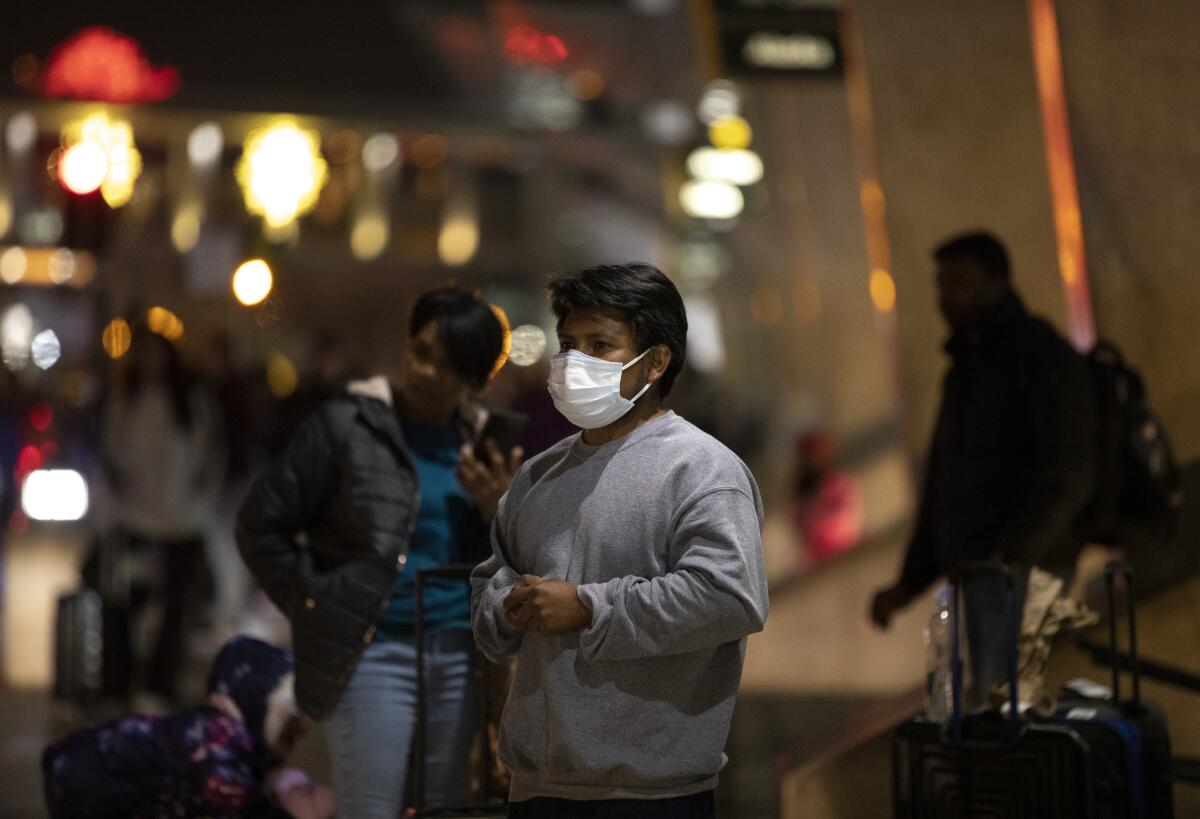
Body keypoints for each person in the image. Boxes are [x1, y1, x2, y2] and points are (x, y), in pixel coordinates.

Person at [471, 263, 769, 818]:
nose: (573, 362)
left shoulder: (702, 470)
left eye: (600, 344)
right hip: (537, 787)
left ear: (655, 361)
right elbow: (492, 582)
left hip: (649, 794)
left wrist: (587, 607)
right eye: (567, 344)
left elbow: (730, 596)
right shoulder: (537, 476)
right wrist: (510, 607)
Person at [237, 286, 522, 818]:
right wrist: (318, 597)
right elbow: (261, 525)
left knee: (443, 809)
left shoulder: (490, 444)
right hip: (375, 650)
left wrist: (496, 511)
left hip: (460, 654)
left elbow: (511, 564)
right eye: (422, 352)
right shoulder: (346, 426)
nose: (428, 372)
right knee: (370, 806)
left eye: (450, 363)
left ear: (476, 376)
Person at [869, 231, 1096, 704]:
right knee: (993, 703)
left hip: (1021, 571)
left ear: (998, 282)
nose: (946, 298)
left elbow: (1068, 470)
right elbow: (944, 483)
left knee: (1010, 704)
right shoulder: (967, 367)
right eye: (940, 285)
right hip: (982, 570)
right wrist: (909, 583)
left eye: (960, 283)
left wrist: (1013, 555)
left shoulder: (1038, 356)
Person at [42, 635, 333, 819]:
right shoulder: (216, 747)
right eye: (288, 720)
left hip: (90, 766)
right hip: (83, 780)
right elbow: (244, 808)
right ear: (242, 705)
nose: (299, 730)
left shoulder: (230, 738)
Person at [93, 328, 226, 705]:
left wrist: (198, 502)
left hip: (182, 521)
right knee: (125, 602)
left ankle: (160, 683)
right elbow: (112, 456)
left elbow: (208, 457)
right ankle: (119, 681)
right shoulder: (125, 403)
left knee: (175, 609)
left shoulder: (191, 404)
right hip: (134, 520)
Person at [790, 431, 862, 566]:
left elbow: (842, 519)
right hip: (817, 560)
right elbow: (798, 524)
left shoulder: (839, 484)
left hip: (843, 551)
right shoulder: (802, 494)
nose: (812, 461)